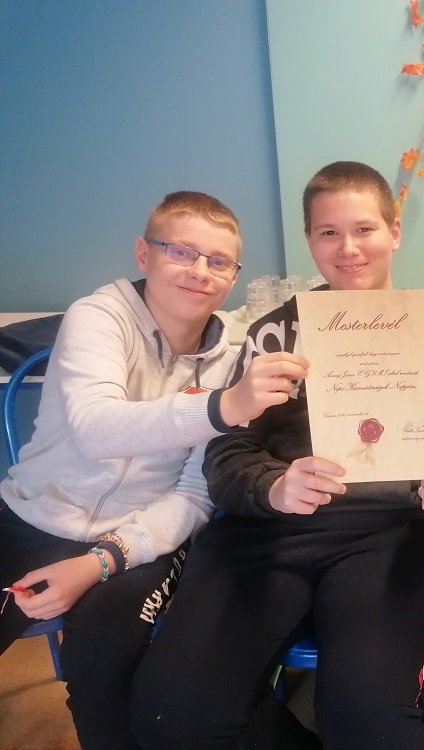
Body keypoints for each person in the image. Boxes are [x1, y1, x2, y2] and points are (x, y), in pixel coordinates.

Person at [130, 161, 424, 749]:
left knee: (366, 717)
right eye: (328, 232)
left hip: (398, 535)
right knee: (171, 717)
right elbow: (227, 454)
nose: (348, 248)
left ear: (394, 232)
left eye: (364, 229)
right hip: (267, 535)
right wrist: (272, 485)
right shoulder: (272, 336)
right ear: (309, 240)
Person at [0, 191, 304, 749]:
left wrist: (100, 562)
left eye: (219, 261)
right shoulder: (99, 317)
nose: (200, 272)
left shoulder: (230, 360)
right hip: (32, 513)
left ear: (233, 276)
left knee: (102, 660)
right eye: (181, 251)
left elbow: (194, 494)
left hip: (140, 536)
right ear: (144, 253)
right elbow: (96, 428)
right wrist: (221, 407)